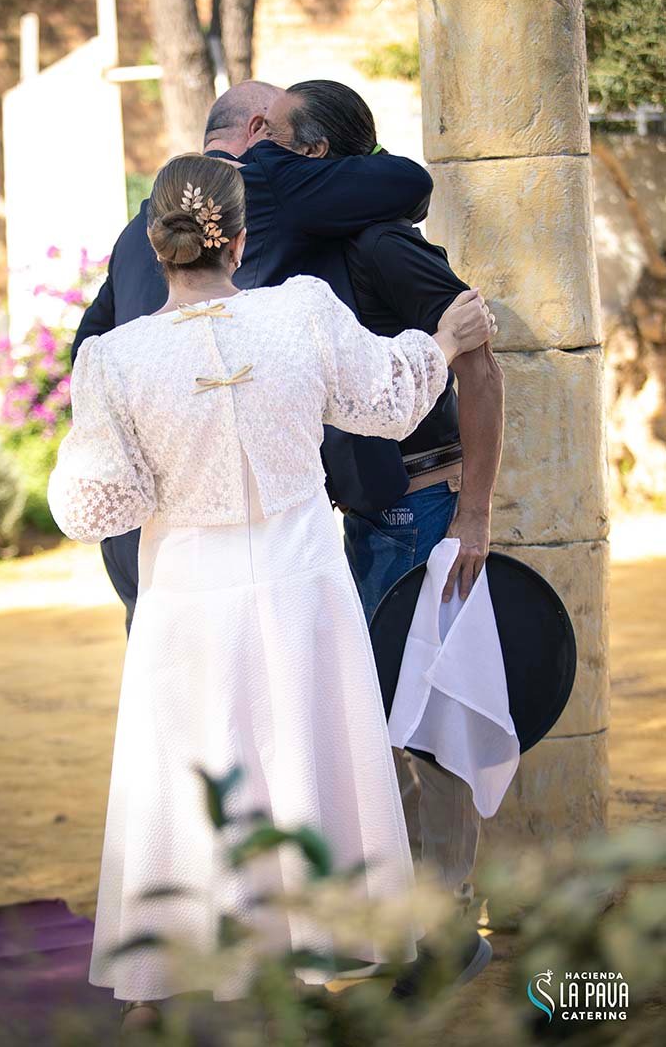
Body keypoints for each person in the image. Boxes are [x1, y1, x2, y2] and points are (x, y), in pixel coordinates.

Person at [48, 154, 495, 1030]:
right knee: (304, 754)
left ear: (154, 242)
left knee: (189, 766)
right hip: (302, 584)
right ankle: (306, 954)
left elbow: (97, 506)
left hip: (188, 591)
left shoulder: (113, 359)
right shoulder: (301, 310)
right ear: (242, 239)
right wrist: (441, 343)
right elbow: (386, 402)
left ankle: (164, 978)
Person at [249, 80, 504, 970]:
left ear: (313, 153)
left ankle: (449, 926)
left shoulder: (382, 242)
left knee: (426, 724)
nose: (259, 152)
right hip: (356, 520)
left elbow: (480, 367)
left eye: (277, 136)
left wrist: (473, 512)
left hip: (424, 510)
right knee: (369, 726)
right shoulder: (299, 248)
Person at [72, 80, 434, 632]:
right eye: (283, 134)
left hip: (147, 544)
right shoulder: (274, 184)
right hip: (254, 534)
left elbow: (89, 345)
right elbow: (409, 182)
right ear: (258, 130)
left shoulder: (137, 230)